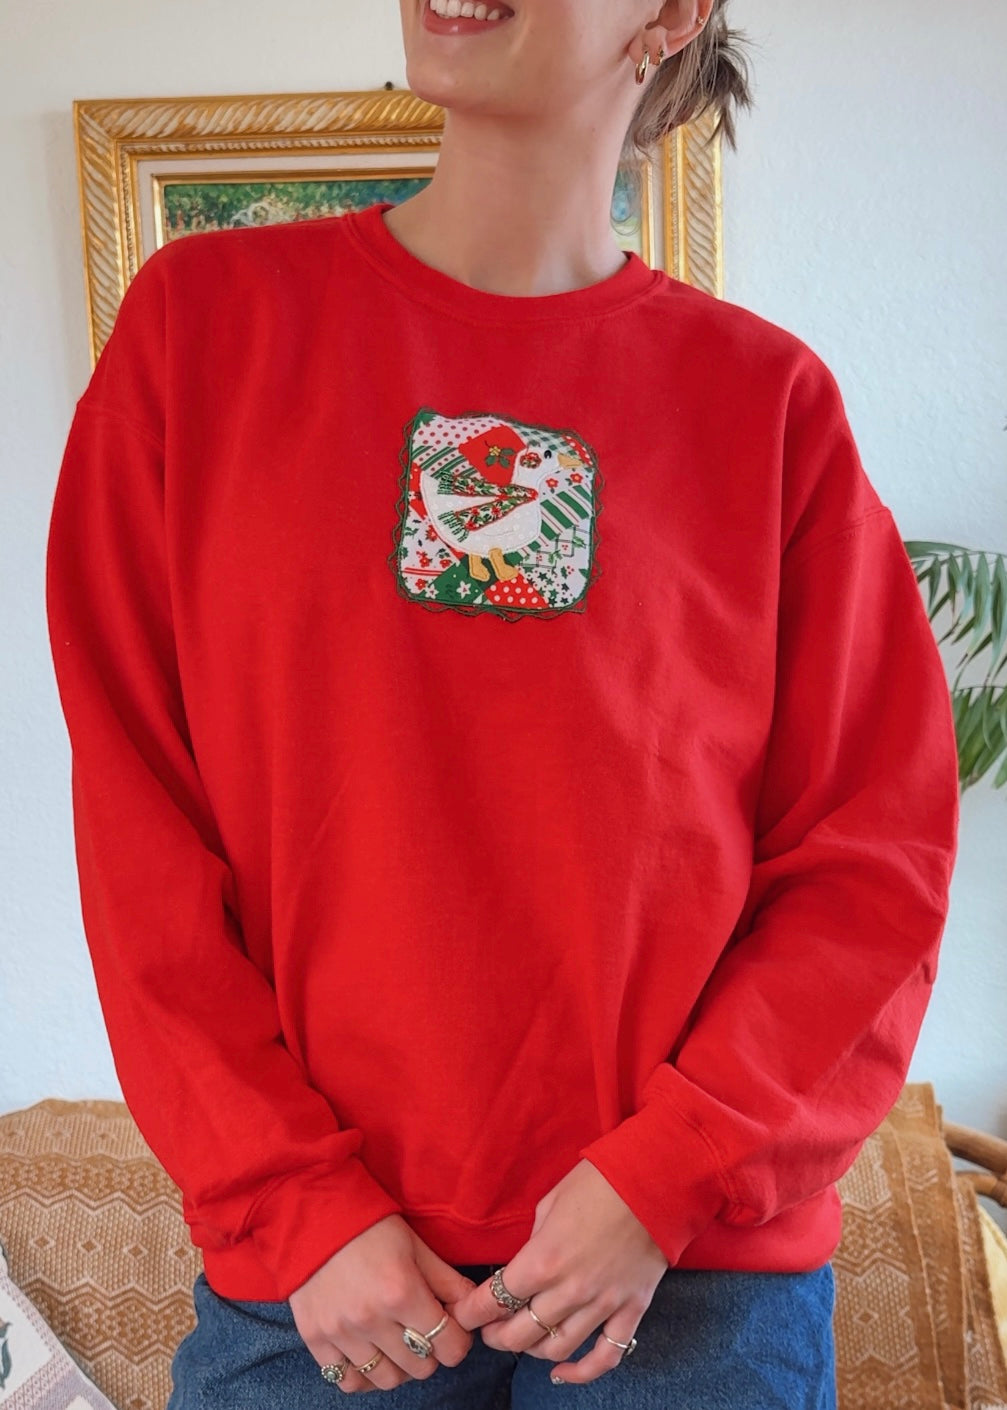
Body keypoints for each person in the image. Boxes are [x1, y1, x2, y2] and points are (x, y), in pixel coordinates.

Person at [44, 0, 961, 1406]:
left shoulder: (767, 405)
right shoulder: (202, 331)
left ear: (673, 13)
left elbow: (872, 861)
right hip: (325, 1286)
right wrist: (296, 1199)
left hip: (687, 1281)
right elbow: (139, 830)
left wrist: (665, 1176)